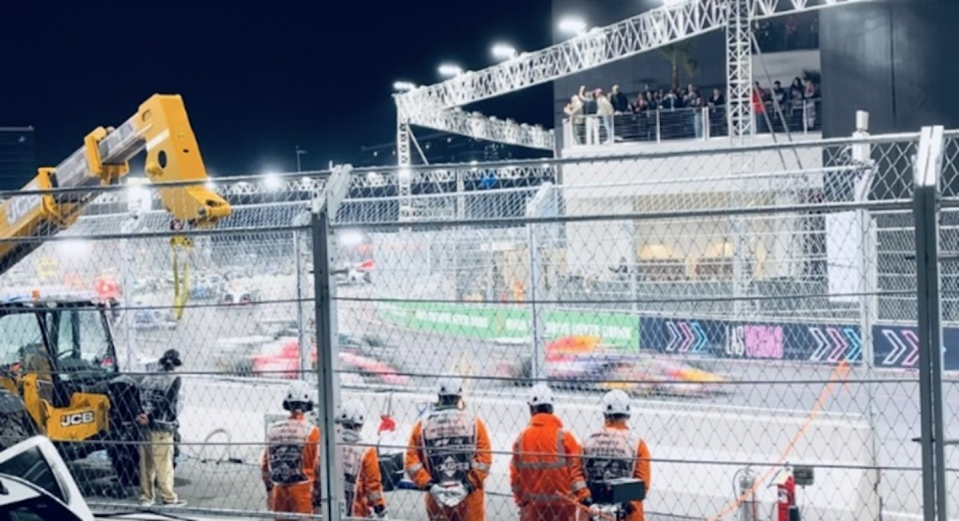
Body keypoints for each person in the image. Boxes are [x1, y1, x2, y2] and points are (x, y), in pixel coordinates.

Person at [405, 375, 492, 521]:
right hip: (470, 500)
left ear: (439, 396)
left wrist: (430, 486)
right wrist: (466, 486)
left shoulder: (423, 425)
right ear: (459, 396)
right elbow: (484, 461)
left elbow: (411, 463)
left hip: (437, 499)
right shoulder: (474, 423)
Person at [510, 383, 591, 521]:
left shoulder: (521, 439)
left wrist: (520, 500)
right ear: (552, 408)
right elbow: (578, 472)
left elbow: (515, 478)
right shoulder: (565, 437)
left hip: (533, 508)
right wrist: (583, 496)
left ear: (532, 409)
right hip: (563, 506)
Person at [582, 390, 652, 521]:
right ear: (627, 415)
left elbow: (577, 477)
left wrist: (587, 500)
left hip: (593, 513)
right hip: (627, 516)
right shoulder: (636, 443)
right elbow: (642, 485)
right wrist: (625, 507)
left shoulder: (588, 441)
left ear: (604, 414)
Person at [262, 380, 322, 520]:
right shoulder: (312, 432)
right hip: (303, 493)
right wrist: (318, 496)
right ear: (308, 404)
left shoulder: (273, 430)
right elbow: (318, 467)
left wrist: (270, 490)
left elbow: (265, 465)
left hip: (279, 491)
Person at [137, 349, 186, 507]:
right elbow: (167, 403)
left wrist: (142, 415)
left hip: (144, 426)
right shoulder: (174, 379)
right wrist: (151, 416)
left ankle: (146, 497)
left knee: (146, 464)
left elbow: (138, 396)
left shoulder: (148, 377)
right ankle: (168, 497)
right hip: (162, 426)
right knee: (163, 464)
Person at [336, 399, 388, 519]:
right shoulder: (367, 451)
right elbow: (373, 487)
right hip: (356, 512)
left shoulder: (330, 445)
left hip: (330, 508)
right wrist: (381, 510)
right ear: (361, 423)